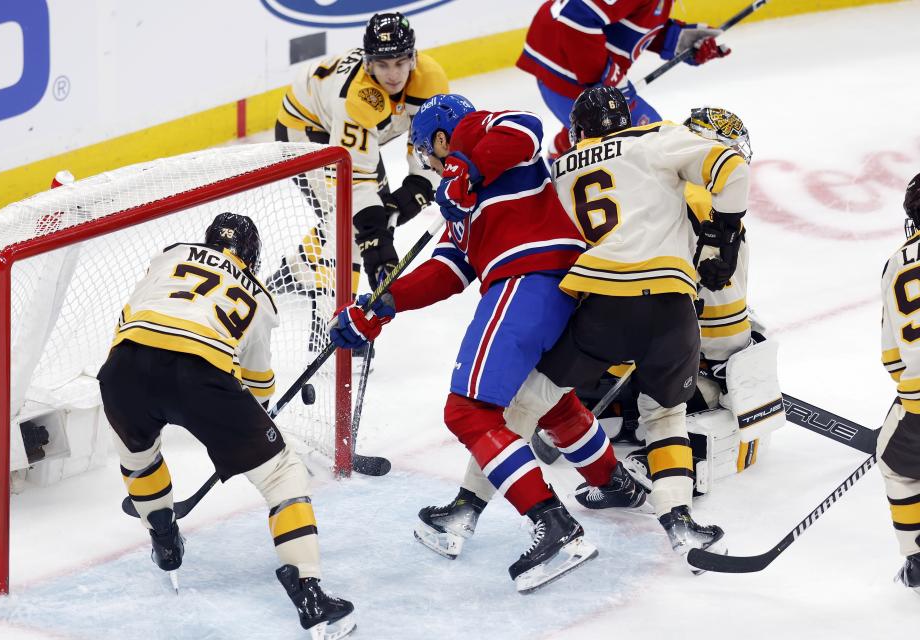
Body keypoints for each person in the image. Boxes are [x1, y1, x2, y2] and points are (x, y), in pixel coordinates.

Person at [327, 94, 643, 592]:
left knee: (467, 412)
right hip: (553, 288)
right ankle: (612, 480)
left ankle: (555, 525)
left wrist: (463, 169)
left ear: (438, 138)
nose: (429, 166)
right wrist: (382, 306)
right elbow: (447, 272)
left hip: (529, 279)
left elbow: (526, 126)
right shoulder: (460, 204)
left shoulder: (477, 134)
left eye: (426, 154)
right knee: (548, 401)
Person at [97, 213, 355, 639]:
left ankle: (163, 536)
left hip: (122, 367)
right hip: (199, 380)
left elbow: (131, 319)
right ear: (253, 257)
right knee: (281, 472)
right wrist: (254, 427)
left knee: (139, 460)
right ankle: (308, 592)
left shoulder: (169, 256)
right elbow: (256, 385)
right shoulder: (261, 297)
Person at [533, 86, 751, 564]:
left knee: (530, 401)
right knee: (668, 415)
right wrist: (725, 233)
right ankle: (680, 522)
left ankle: (479, 502)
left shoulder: (559, 171)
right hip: (673, 316)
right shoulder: (659, 139)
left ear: (580, 131)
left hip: (600, 315)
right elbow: (733, 170)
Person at [581, 107, 784, 497]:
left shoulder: (640, 177)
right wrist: (734, 367)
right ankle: (675, 456)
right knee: (743, 377)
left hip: (607, 337)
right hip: (675, 342)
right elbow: (722, 307)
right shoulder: (709, 201)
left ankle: (611, 412)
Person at [272, 12, 448, 297]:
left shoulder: (429, 79)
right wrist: (374, 241)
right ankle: (341, 323)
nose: (393, 74)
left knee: (380, 216)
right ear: (369, 63)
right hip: (306, 130)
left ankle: (299, 268)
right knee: (352, 227)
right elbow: (356, 186)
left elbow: (429, 149)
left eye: (400, 62)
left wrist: (419, 186)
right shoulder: (357, 97)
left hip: (343, 131)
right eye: (383, 64)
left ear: (413, 59)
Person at [515, 0, 730, 158]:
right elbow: (575, 16)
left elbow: (634, 19)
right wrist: (605, 78)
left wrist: (678, 40)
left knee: (641, 141)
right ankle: (569, 157)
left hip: (568, 65)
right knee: (653, 146)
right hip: (565, 72)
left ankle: (564, 151)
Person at [878, 172, 920, 594]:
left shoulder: (897, 261)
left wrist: (909, 393)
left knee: (897, 466)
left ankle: (917, 560)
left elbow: (893, 355)